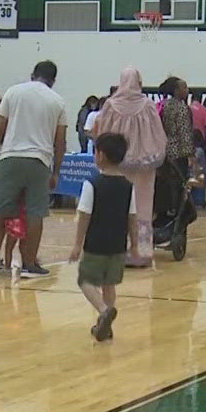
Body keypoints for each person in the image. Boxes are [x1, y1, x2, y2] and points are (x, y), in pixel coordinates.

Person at [0, 61, 69, 280]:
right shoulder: (57, 101)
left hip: (9, 158)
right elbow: (61, 142)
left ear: (32, 74)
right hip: (38, 161)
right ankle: (29, 264)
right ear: (53, 80)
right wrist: (56, 172)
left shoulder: (13, 92)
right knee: (35, 213)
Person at [92, 68, 167, 269]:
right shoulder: (148, 105)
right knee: (142, 207)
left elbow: (101, 134)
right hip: (143, 167)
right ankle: (140, 252)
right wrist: (157, 156)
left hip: (116, 165)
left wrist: (101, 158)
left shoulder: (110, 105)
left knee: (115, 207)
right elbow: (159, 135)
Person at [68, 131, 132, 343]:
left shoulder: (92, 183)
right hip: (118, 244)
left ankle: (104, 311)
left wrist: (78, 244)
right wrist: (135, 244)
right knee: (109, 284)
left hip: (96, 242)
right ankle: (106, 326)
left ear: (101, 155)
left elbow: (84, 214)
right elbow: (132, 216)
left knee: (85, 280)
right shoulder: (128, 186)